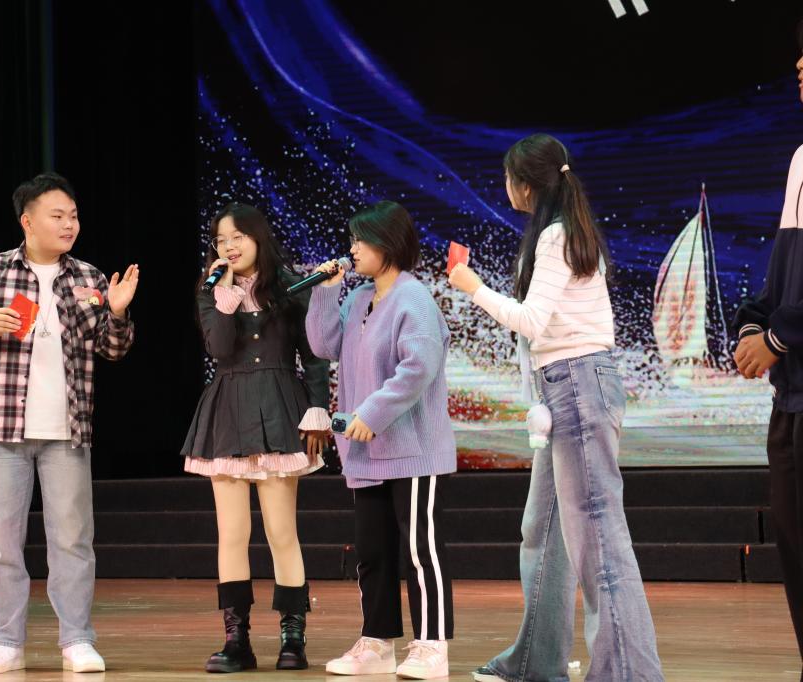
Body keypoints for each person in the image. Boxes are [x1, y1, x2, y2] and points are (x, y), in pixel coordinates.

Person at [449, 134, 663, 682]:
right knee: (543, 529)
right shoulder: (566, 231)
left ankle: (627, 674)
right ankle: (535, 661)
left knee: (597, 537)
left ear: (525, 184)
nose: (505, 187)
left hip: (576, 388)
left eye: (508, 178)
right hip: (567, 390)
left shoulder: (556, 235)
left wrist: (472, 287)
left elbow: (530, 320)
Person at [0, 172, 138, 675]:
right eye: (58, 216)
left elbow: (113, 349)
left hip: (67, 430)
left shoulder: (89, 277)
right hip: (1, 428)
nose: (69, 224)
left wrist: (118, 313)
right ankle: (4, 643)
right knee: (2, 542)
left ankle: (77, 639)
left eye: (73, 215)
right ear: (27, 221)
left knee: (73, 540)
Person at [307, 200, 456, 680]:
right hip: (366, 454)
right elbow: (322, 345)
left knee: (419, 552)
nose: (352, 249)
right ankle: (377, 642)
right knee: (371, 553)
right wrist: (325, 293)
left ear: (387, 244)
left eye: (360, 240)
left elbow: (418, 367)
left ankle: (431, 645)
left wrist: (372, 413)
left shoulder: (414, 299)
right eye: (352, 240)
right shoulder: (357, 298)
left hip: (412, 451)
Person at [181, 202, 331, 672]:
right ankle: (236, 640)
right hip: (228, 411)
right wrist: (223, 292)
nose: (228, 246)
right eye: (220, 240)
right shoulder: (211, 291)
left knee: (281, 531)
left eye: (237, 237)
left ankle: (293, 638)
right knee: (232, 533)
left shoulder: (291, 286)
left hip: (281, 407)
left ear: (257, 237)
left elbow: (315, 355)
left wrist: (318, 409)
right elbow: (220, 347)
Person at [733, 22, 803, 679]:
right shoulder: (799, 159)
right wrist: (752, 327)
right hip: (792, 396)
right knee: (792, 538)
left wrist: (778, 338)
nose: (800, 65)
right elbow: (784, 275)